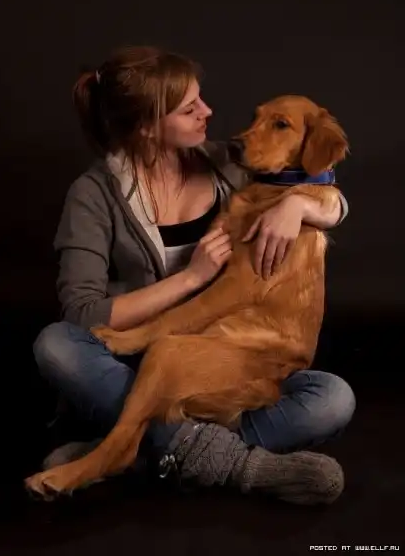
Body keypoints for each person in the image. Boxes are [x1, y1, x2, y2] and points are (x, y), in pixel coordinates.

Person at [33, 45, 356, 505]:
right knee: (57, 345)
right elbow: (84, 314)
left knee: (333, 397)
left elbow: (323, 187)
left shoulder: (228, 162)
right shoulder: (93, 194)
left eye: (200, 99)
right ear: (147, 126)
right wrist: (190, 278)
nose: (209, 112)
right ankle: (233, 463)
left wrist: (300, 206)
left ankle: (144, 447)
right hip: (135, 354)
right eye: (189, 108)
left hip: (224, 356)